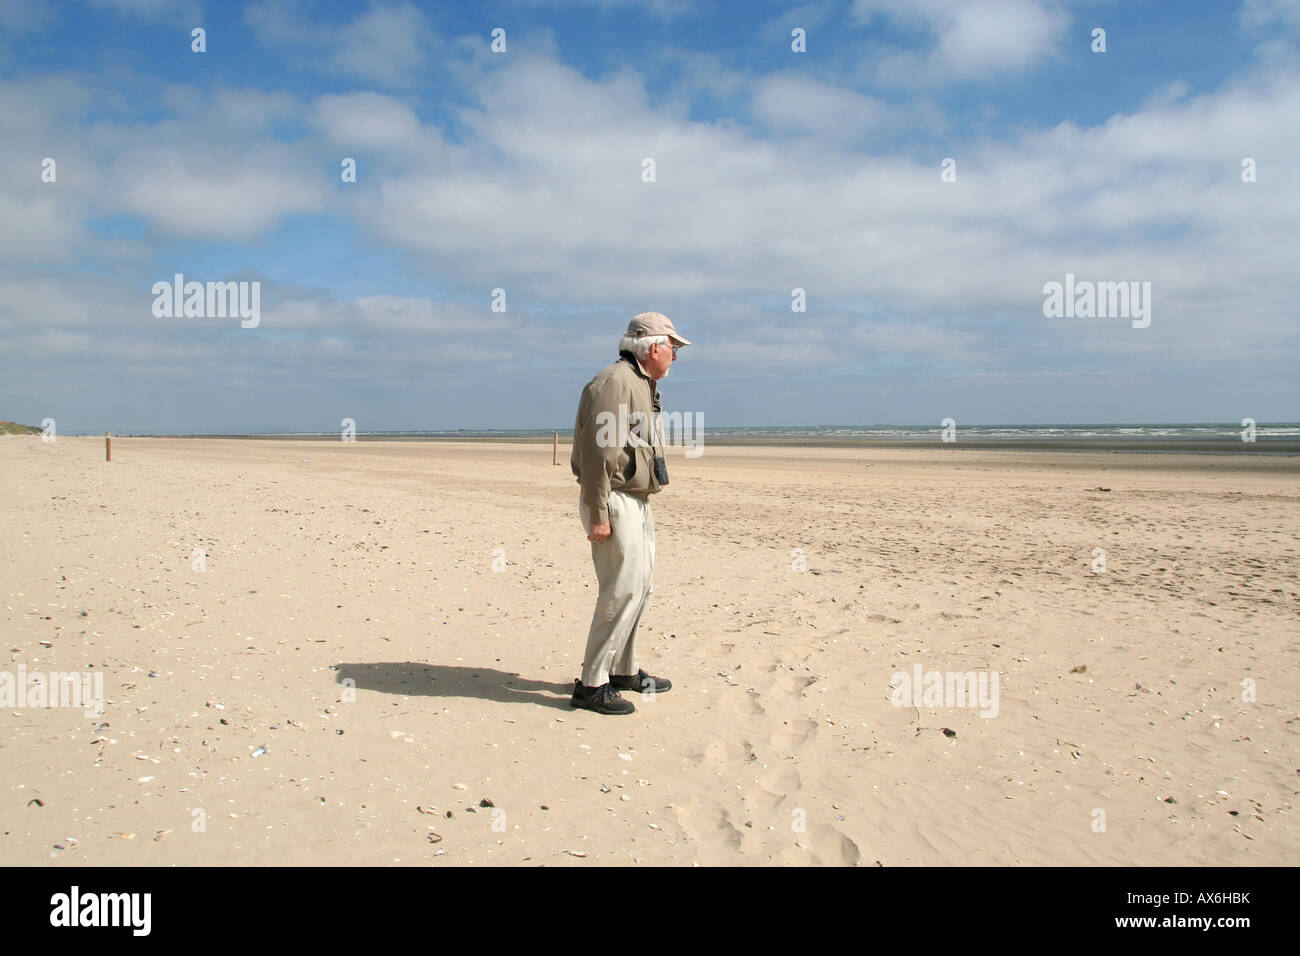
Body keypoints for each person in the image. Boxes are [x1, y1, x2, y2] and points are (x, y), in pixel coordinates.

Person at [569, 312, 691, 715]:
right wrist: (599, 512)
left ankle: (623, 670)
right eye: (673, 348)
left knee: (641, 588)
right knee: (620, 591)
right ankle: (592, 684)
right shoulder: (615, 383)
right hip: (614, 499)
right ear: (653, 347)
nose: (675, 356)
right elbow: (596, 455)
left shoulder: (641, 382)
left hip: (636, 499)